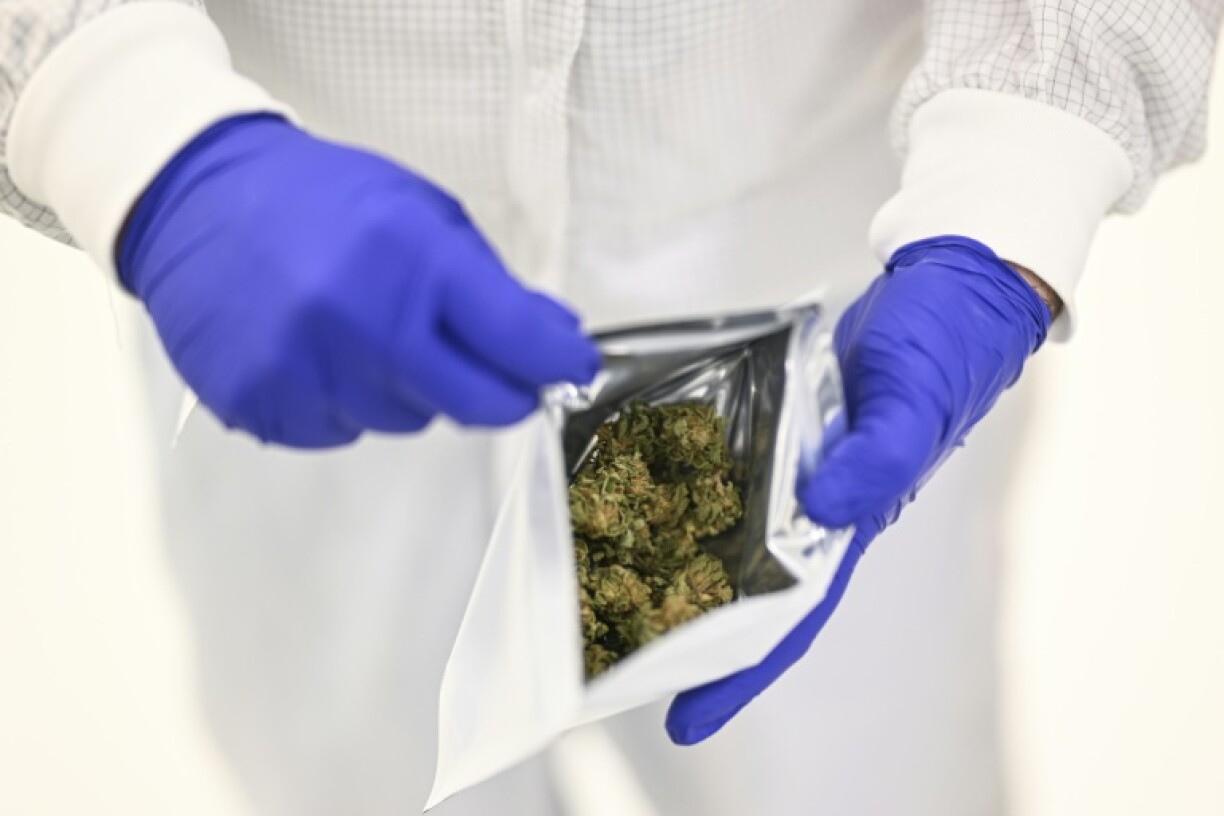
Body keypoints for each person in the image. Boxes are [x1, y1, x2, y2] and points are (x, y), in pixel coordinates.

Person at [3, 1, 1220, 814]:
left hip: (801, 305)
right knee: (361, 775)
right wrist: (131, 131)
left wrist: (1011, 186)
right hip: (307, 284)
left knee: (852, 778)